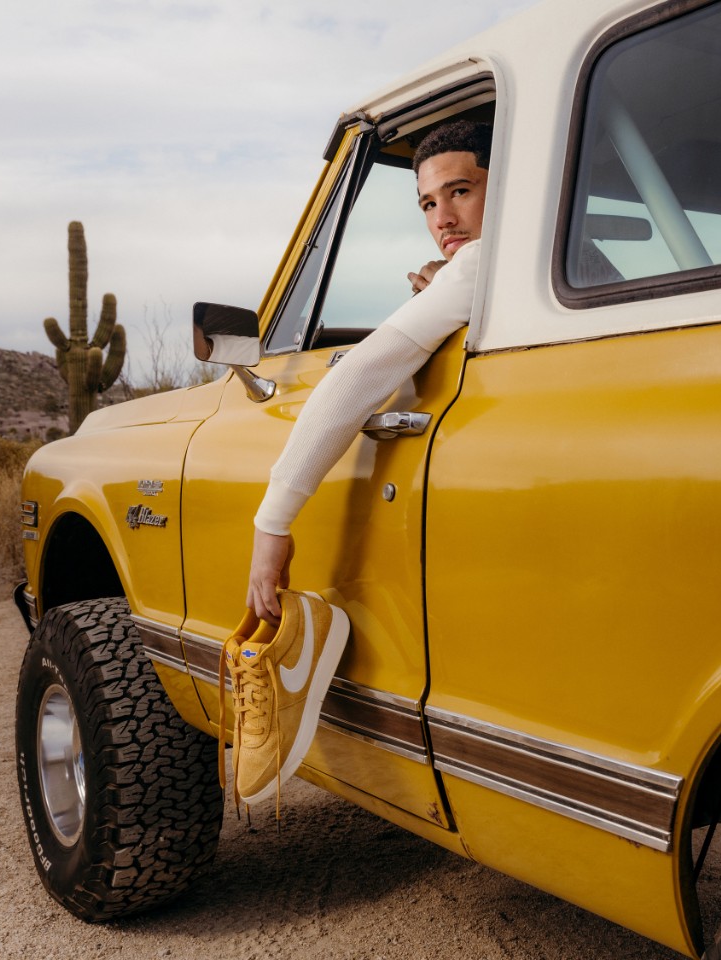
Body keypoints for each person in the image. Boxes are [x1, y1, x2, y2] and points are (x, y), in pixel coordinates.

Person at [220, 120, 492, 809]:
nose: (443, 218)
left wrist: (271, 525)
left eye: (461, 191)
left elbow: (355, 379)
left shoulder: (480, 264)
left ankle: (292, 644)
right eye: (428, 203)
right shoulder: (516, 268)